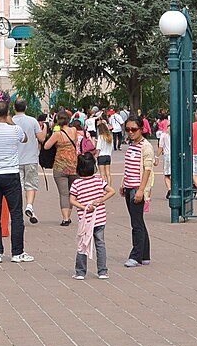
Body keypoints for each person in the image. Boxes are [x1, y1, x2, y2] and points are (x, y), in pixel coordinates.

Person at [0, 100, 33, 263]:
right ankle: (17, 252)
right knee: (16, 213)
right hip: (11, 173)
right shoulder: (15, 130)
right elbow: (25, 139)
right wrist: (11, 122)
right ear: (7, 113)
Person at [70, 151, 115, 280]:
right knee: (100, 244)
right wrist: (100, 200)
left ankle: (80, 272)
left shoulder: (76, 184)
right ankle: (102, 271)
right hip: (100, 218)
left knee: (83, 244)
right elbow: (111, 191)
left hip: (85, 219)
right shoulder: (98, 181)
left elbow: (72, 200)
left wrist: (85, 207)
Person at [121, 118, 153, 267]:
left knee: (136, 224)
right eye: (127, 129)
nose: (130, 132)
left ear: (141, 129)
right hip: (129, 186)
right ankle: (145, 254)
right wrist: (123, 183)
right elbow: (129, 167)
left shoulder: (146, 147)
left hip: (137, 189)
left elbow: (147, 169)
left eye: (134, 129)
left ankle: (136, 256)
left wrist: (141, 190)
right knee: (138, 221)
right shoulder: (131, 145)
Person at [43, 109, 79, 226]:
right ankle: (69, 214)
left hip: (60, 167)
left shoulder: (57, 134)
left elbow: (47, 146)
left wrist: (54, 131)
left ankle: (65, 218)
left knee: (64, 193)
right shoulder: (74, 130)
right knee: (72, 192)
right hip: (74, 166)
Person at [11, 99, 44, 225]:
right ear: (26, 107)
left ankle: (18, 210)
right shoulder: (32, 121)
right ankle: (29, 205)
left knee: (17, 186)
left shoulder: (11, 121)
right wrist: (44, 129)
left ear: (14, 108)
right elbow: (41, 138)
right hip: (31, 158)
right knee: (31, 185)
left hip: (15, 159)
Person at [155, 116, 172, 196]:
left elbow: (160, 147)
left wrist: (156, 156)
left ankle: (169, 189)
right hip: (175, 156)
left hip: (167, 155)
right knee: (175, 174)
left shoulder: (164, 135)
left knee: (167, 175)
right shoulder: (178, 134)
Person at [95, 120, 113, 185]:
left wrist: (95, 156)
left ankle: (104, 188)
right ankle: (110, 186)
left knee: (102, 174)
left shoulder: (100, 137)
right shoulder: (110, 137)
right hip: (108, 156)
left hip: (101, 156)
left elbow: (98, 148)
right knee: (108, 173)